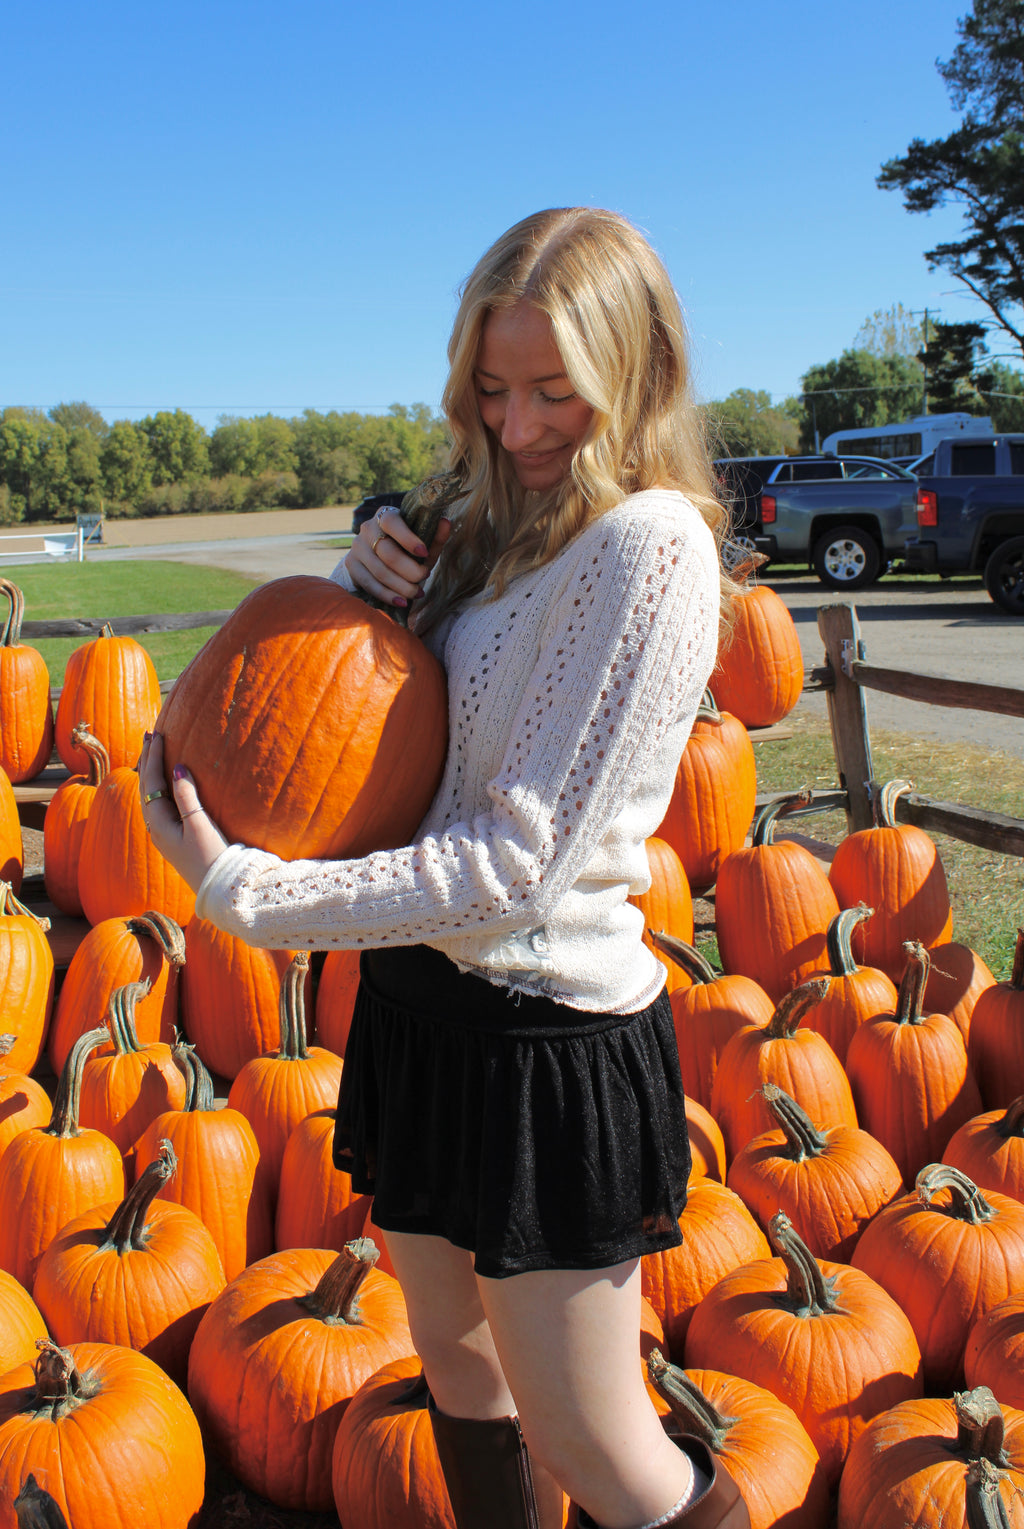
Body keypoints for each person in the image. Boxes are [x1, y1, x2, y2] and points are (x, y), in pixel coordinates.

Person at [139, 207, 750, 1529]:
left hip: (546, 1046)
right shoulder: (484, 512)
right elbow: (382, 725)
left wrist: (248, 892)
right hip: (422, 1008)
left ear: (636, 374)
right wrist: (371, 581)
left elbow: (519, 860)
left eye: (553, 392)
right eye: (491, 386)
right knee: (462, 1379)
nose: (519, 423)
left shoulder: (651, 549)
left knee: (604, 1451)